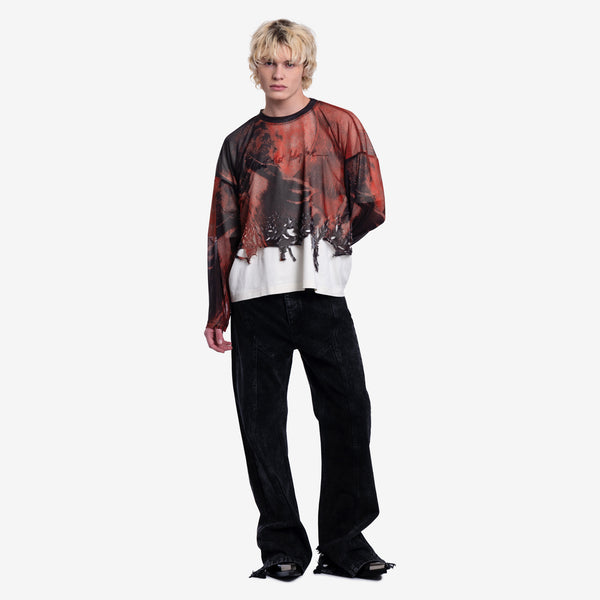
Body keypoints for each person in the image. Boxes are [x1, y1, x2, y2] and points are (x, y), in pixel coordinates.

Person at [204, 18, 394, 581]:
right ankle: (282, 546)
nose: (279, 72)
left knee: (349, 412)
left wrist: (326, 247)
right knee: (261, 424)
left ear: (305, 66)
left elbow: (372, 201)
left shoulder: (339, 125)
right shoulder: (238, 144)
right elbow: (222, 229)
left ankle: (344, 542)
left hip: (322, 298)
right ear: (256, 67)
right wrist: (218, 308)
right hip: (255, 302)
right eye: (269, 61)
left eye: (289, 62)